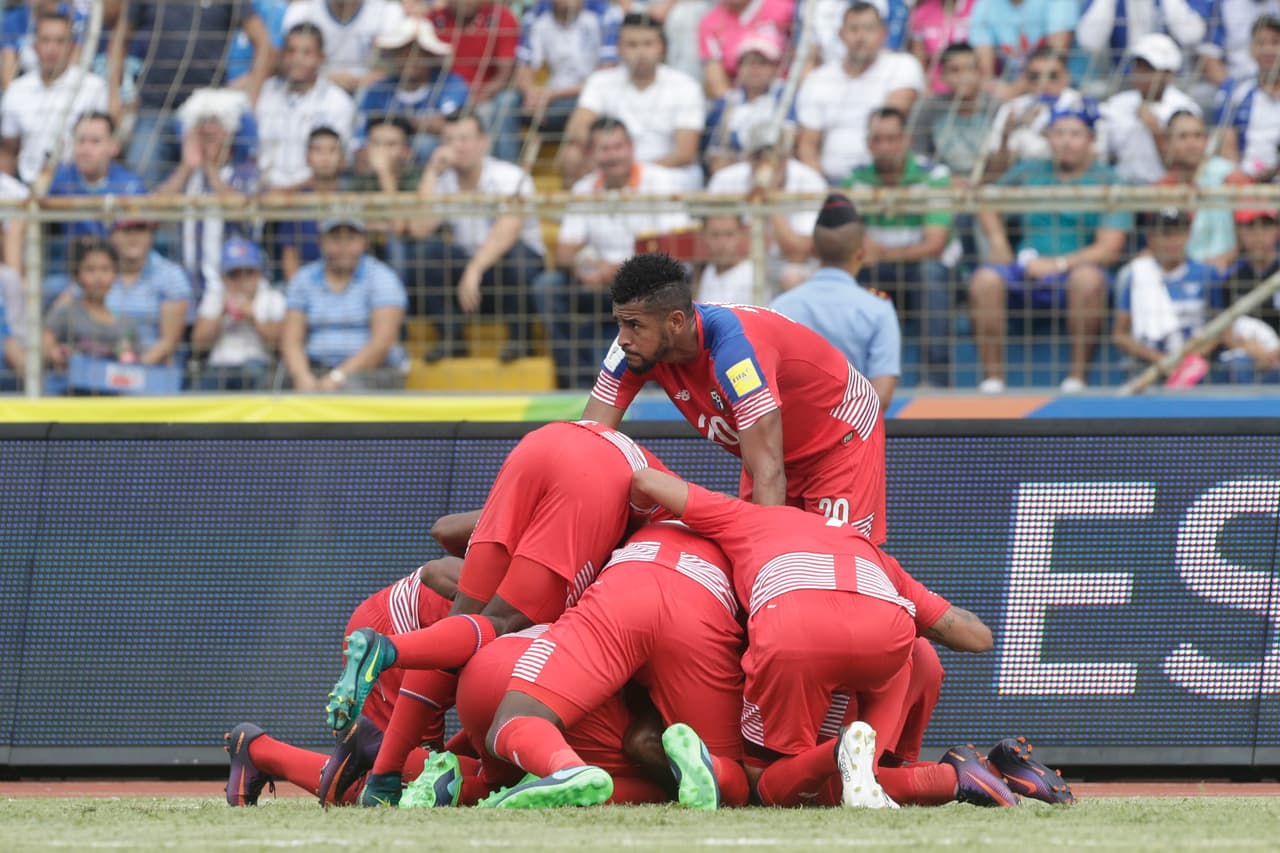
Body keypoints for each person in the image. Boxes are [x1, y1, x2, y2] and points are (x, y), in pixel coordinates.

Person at [623, 466, 975, 808]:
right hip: (888, 642)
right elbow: (973, 637)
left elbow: (647, 480)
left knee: (766, 787)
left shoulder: (747, 518)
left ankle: (854, 754)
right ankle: (960, 774)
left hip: (795, 636)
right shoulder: (866, 547)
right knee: (918, 654)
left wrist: (636, 521)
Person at [323, 421, 664, 738]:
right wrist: (521, 515)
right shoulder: (563, 561)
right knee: (388, 780)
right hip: (401, 627)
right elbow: (437, 562)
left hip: (442, 652)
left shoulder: (584, 575)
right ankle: (272, 749)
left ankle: (280, 747)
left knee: (443, 772)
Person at [583, 252, 888, 542]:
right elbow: (589, 443)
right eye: (620, 323)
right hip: (773, 448)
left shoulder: (734, 354)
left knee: (834, 562)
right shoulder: (633, 348)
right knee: (755, 545)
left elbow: (768, 473)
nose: (622, 338)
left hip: (839, 440)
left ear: (675, 322)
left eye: (634, 325)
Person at [479, 521, 749, 810]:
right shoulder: (741, 539)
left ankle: (567, 767)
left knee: (513, 720)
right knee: (736, 776)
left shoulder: (634, 523)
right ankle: (712, 767)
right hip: (702, 610)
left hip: (625, 588)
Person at [224, 561, 461, 806]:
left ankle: (259, 750)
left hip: (415, 624)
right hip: (415, 634)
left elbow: (443, 535)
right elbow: (439, 552)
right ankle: (365, 745)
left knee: (452, 773)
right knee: (418, 788)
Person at [970, 106, 1129, 394]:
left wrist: (1057, 264)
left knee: (1088, 280)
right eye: (1059, 134)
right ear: (1049, 139)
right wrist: (997, 240)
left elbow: (1109, 249)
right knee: (984, 280)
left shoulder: (1109, 181)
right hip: (1023, 267)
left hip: (1074, 271)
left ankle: (1076, 380)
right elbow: (985, 198)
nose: (1067, 141)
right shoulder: (1029, 171)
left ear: (1091, 140)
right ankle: (993, 380)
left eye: (1075, 134)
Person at [536, 118, 691, 388]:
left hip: (650, 287)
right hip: (600, 286)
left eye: (617, 147)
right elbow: (563, 252)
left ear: (631, 147)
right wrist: (585, 266)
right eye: (604, 149)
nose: (612, 155)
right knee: (547, 287)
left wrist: (617, 269)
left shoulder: (660, 181)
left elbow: (677, 246)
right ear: (592, 154)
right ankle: (580, 382)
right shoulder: (584, 188)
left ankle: (657, 381)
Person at [409, 110, 545, 363]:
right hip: (470, 280)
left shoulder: (510, 176)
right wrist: (431, 171)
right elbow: (419, 228)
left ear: (483, 142)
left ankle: (521, 339)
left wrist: (474, 269)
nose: (456, 147)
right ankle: (452, 338)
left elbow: (509, 229)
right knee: (426, 252)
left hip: (508, 272)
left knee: (518, 256)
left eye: (464, 138)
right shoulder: (444, 181)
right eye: (448, 140)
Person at [110, 1, 273, 189]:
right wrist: (114, 96)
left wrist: (252, 98)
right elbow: (119, 38)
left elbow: (262, 43)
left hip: (208, 113)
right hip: (155, 108)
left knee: (207, 188)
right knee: (143, 181)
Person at [844, 107, 954, 386]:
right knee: (848, 278)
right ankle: (855, 383)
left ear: (907, 140)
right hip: (880, 270)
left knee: (930, 275)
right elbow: (849, 234)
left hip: (926, 267)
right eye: (877, 140)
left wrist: (882, 253)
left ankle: (934, 381)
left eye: (892, 139)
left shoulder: (934, 175)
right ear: (868, 144)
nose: (884, 147)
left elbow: (935, 245)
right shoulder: (855, 178)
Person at [770, 194, 900, 411]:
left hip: (796, 437)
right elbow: (882, 396)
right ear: (861, 254)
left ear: (813, 250)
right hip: (855, 436)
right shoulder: (877, 309)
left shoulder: (781, 307)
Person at [562, 12, 705, 189]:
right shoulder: (600, 81)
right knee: (572, 154)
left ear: (662, 47)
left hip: (666, 171)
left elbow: (685, 154)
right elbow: (577, 128)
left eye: (648, 44)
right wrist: (606, 159)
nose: (641, 52)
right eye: (632, 45)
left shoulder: (686, 86)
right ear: (618, 48)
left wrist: (634, 171)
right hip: (611, 168)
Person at [795, 0, 926, 184]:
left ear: (883, 33)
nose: (861, 36)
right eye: (854, 29)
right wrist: (823, 188)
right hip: (829, 182)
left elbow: (888, 127)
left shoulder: (903, 66)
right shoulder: (818, 79)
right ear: (841, 35)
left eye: (868, 29)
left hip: (883, 178)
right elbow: (807, 145)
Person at [156, 89, 260, 309]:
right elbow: (153, 209)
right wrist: (186, 166)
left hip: (230, 287)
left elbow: (244, 212)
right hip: (186, 285)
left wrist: (211, 167)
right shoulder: (186, 175)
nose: (207, 130)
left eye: (215, 124)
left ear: (229, 132)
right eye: (202, 124)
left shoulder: (244, 173)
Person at [279, 218, 408, 392]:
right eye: (336, 239)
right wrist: (302, 376)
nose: (343, 246)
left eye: (351, 239)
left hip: (370, 370)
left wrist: (338, 376)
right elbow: (291, 340)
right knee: (278, 388)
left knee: (351, 390)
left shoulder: (382, 277)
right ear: (321, 242)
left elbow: (382, 342)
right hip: (315, 366)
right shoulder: (304, 279)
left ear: (364, 242)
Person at [0, 3, 107, 185]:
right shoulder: (16, 91)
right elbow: (8, 152)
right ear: (34, 45)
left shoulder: (93, 88)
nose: (52, 48)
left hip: (78, 188)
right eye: (45, 40)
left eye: (60, 41)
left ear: (72, 47)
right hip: (27, 189)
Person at [705, 128, 824, 290]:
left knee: (792, 276)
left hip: (791, 265)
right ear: (748, 158)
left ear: (787, 157)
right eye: (759, 157)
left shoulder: (810, 180)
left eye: (775, 158)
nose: (767, 164)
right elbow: (717, 241)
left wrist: (770, 201)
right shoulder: (725, 179)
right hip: (744, 263)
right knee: (733, 273)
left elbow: (799, 253)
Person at [1112, 210, 1217, 386]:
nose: (1173, 241)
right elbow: (1120, 335)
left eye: (1179, 233)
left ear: (1188, 236)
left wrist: (1189, 360)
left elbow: (1220, 330)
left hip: (1197, 364)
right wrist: (1163, 361)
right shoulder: (1137, 274)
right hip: (1149, 364)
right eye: (1166, 235)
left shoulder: (1207, 274)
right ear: (1151, 238)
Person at [46, 113, 146, 289]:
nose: (85, 149)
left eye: (95, 142)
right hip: (72, 274)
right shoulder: (59, 180)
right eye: (80, 141)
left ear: (114, 146)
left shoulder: (130, 186)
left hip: (118, 273)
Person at [255, 23, 356, 189]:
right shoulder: (265, 93)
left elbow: (338, 163)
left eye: (307, 53)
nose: (297, 59)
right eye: (291, 51)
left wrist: (288, 193)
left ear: (321, 58)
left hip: (313, 197)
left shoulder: (338, 102)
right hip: (262, 193)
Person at [356, 16, 465, 165]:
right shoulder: (378, 89)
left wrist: (399, 125)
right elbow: (361, 135)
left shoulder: (450, 84)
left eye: (418, 53)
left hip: (437, 165)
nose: (410, 59)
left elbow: (448, 128)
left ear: (430, 56)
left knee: (425, 145)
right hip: (382, 159)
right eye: (403, 53)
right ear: (394, 56)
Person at [982, 46, 1100, 181]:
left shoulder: (1083, 105)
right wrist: (1007, 135)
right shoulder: (1013, 108)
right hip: (1026, 182)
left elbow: (1098, 156)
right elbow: (995, 170)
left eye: (1052, 76)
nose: (1043, 83)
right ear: (1025, 79)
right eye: (1035, 77)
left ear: (1066, 76)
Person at [427, 0, 524, 163]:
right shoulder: (433, 19)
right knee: (424, 142)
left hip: (485, 98)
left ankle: (505, 173)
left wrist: (473, 100)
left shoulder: (501, 17)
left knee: (501, 104)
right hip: (444, 101)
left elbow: (504, 75)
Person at [1098, 33, 1200, 185]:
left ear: (1169, 73)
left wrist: (1155, 129)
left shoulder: (1186, 108)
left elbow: (1185, 165)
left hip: (1167, 191)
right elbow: (1101, 156)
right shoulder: (1116, 105)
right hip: (1122, 191)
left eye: (1150, 69)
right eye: (1139, 67)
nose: (1141, 74)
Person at [1157, 110, 1247, 272]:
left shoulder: (1229, 175)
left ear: (1206, 141)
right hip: (1180, 271)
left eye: (1198, 136)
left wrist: (1227, 257)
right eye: (1183, 137)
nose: (1192, 143)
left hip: (1230, 269)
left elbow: (1253, 229)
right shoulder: (1161, 188)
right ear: (1168, 143)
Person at [191, 238, 285, 391]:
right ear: (223, 277)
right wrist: (222, 313)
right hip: (219, 366)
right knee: (202, 386)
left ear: (258, 274)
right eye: (234, 275)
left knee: (253, 373)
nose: (241, 281)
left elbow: (281, 343)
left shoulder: (272, 298)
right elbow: (197, 345)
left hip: (260, 365)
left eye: (248, 273)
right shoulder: (215, 297)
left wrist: (253, 318)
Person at [515, 0, 621, 136]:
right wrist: (532, 95)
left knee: (587, 104)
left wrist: (554, 95)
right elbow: (523, 69)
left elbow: (606, 76)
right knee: (505, 103)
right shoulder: (536, 14)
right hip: (549, 97)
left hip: (589, 92)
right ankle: (503, 158)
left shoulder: (605, 13)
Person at [42, 238, 132, 379]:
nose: (99, 277)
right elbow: (43, 347)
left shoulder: (124, 321)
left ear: (115, 274)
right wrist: (56, 353)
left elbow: (134, 360)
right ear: (77, 275)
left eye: (105, 269)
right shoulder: (66, 312)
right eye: (90, 269)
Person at [105, 220, 191, 367]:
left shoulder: (170, 274)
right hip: (100, 364)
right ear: (111, 236)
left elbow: (169, 342)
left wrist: (132, 370)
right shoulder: (99, 271)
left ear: (151, 235)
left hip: (150, 369)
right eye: (125, 231)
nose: (133, 237)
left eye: (141, 229)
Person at [702, 34, 791, 175]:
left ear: (775, 68)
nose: (754, 69)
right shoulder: (727, 103)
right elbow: (713, 152)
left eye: (762, 63)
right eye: (748, 63)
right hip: (735, 172)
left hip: (776, 170)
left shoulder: (787, 98)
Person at [911, 43, 997, 180]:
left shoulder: (996, 108)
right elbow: (919, 157)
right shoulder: (929, 110)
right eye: (955, 70)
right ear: (943, 76)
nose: (964, 76)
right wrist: (946, 181)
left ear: (980, 73)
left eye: (970, 69)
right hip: (942, 187)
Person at [275, 127, 348, 282]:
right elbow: (289, 254)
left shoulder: (350, 199)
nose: (325, 157)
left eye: (332, 150)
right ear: (307, 157)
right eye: (318, 150)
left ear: (342, 158)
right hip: (307, 284)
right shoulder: (297, 201)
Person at [281, 0, 400, 93]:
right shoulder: (302, 11)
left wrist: (366, 81)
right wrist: (326, 78)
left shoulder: (388, 12)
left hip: (371, 92)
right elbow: (280, 63)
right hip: (314, 90)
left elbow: (397, 65)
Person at [967, 0, 1077, 101]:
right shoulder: (985, 5)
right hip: (1014, 90)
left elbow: (1055, 57)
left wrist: (1015, 90)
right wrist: (1004, 91)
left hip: (1062, 87)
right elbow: (985, 71)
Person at [1217, 209, 1280, 382]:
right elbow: (1223, 330)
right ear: (1239, 233)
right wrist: (1252, 350)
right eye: (1251, 228)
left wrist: (1274, 354)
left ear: (1277, 230)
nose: (1258, 235)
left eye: (1265, 227)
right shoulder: (1231, 277)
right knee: (1238, 365)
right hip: (1247, 352)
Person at [1217, 16, 1280, 181]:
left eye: (1275, 42)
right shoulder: (1238, 91)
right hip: (1246, 180)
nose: (1268, 49)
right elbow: (1226, 144)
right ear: (1252, 49)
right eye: (1261, 43)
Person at [697, 0, 793, 100]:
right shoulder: (710, 22)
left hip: (787, 93)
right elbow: (717, 82)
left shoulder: (785, 8)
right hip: (741, 99)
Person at [695, 215, 755, 305]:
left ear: (741, 235)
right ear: (704, 236)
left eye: (729, 234)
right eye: (715, 235)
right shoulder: (708, 271)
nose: (722, 243)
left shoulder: (752, 275)